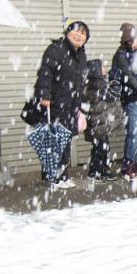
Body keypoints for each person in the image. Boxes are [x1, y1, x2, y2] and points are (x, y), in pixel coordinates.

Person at [34, 20, 91, 188]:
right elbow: (45, 73)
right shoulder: (56, 49)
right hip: (56, 102)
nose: (79, 35)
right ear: (68, 32)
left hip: (71, 103)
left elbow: (80, 80)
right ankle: (54, 177)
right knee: (56, 140)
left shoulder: (81, 55)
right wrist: (44, 95)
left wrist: (80, 100)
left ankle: (61, 175)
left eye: (83, 34)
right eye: (76, 31)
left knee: (65, 140)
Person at [110, 22, 137, 180]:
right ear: (129, 40)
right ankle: (128, 166)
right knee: (133, 133)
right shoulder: (120, 56)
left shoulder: (135, 54)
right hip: (131, 99)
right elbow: (128, 77)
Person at [82, 59, 119, 181]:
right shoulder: (100, 84)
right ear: (97, 71)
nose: (105, 68)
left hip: (94, 124)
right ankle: (100, 171)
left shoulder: (88, 84)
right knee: (102, 149)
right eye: (102, 67)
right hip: (99, 124)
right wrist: (115, 83)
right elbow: (113, 96)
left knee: (98, 148)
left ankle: (96, 171)